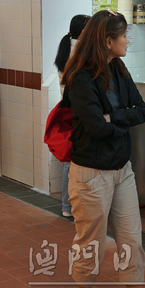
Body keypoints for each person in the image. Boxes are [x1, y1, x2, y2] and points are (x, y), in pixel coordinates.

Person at [62, 10, 145, 288]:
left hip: (122, 171)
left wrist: (113, 117)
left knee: (131, 242)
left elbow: (141, 111)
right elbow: (96, 127)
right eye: (124, 35)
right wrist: (116, 119)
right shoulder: (81, 78)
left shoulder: (119, 69)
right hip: (90, 175)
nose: (128, 40)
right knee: (90, 244)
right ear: (108, 41)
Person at [53, 13, 89, 218]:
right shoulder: (82, 52)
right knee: (74, 160)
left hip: (68, 109)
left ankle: (67, 206)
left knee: (70, 159)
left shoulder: (66, 47)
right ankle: (70, 205)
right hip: (79, 111)